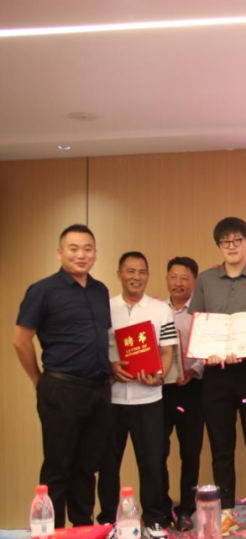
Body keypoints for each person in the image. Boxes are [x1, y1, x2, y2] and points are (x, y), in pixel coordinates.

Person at [13, 224, 112, 527]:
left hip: (99, 390)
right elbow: (20, 340)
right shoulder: (42, 290)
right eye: (74, 248)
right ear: (60, 252)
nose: (81, 255)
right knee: (58, 467)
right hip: (61, 388)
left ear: (95, 253)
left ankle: (83, 527)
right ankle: (51, 531)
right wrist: (39, 380)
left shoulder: (100, 291)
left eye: (87, 249)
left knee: (87, 467)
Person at [190, 217, 246, 533]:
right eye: (225, 241)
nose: (231, 246)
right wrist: (206, 353)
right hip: (216, 373)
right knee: (221, 446)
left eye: (237, 240)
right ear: (219, 246)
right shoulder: (205, 279)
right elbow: (199, 323)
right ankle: (225, 509)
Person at [97, 252, 178, 539]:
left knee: (152, 462)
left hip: (149, 400)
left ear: (148, 276)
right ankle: (108, 521)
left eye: (142, 272)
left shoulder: (160, 310)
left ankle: (154, 519)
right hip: (112, 399)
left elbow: (167, 351)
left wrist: (160, 375)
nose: (136, 277)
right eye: (130, 271)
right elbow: (96, 349)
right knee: (108, 464)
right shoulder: (105, 308)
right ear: (119, 274)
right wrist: (110, 367)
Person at [161, 256, 204, 532]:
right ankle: (161, 508)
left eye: (185, 278)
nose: (178, 283)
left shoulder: (201, 313)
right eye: (173, 277)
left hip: (193, 389)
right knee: (157, 451)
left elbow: (208, 350)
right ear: (167, 279)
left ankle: (186, 509)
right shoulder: (156, 311)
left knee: (190, 453)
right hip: (159, 390)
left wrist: (194, 370)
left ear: (194, 281)